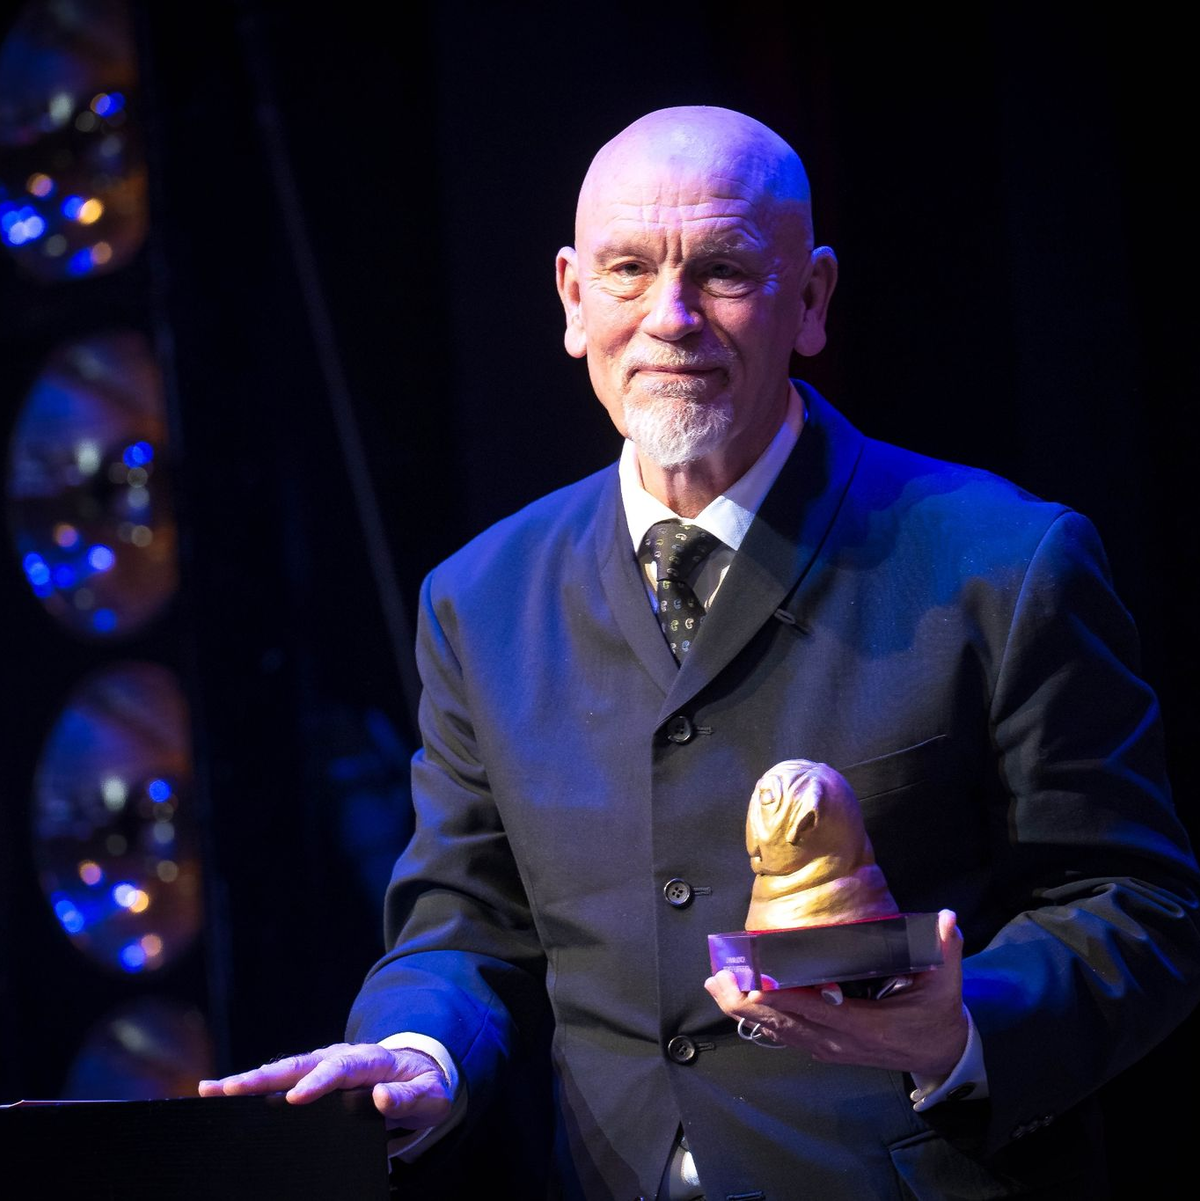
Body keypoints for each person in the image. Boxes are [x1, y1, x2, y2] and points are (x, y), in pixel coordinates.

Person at [201, 106, 1200, 1199]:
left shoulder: (1004, 563)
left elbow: (1135, 908)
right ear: (574, 301)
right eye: (627, 272)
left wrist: (956, 1027)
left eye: (722, 270)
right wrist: (417, 1055)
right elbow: (463, 924)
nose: (670, 318)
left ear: (812, 300)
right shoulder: (480, 598)